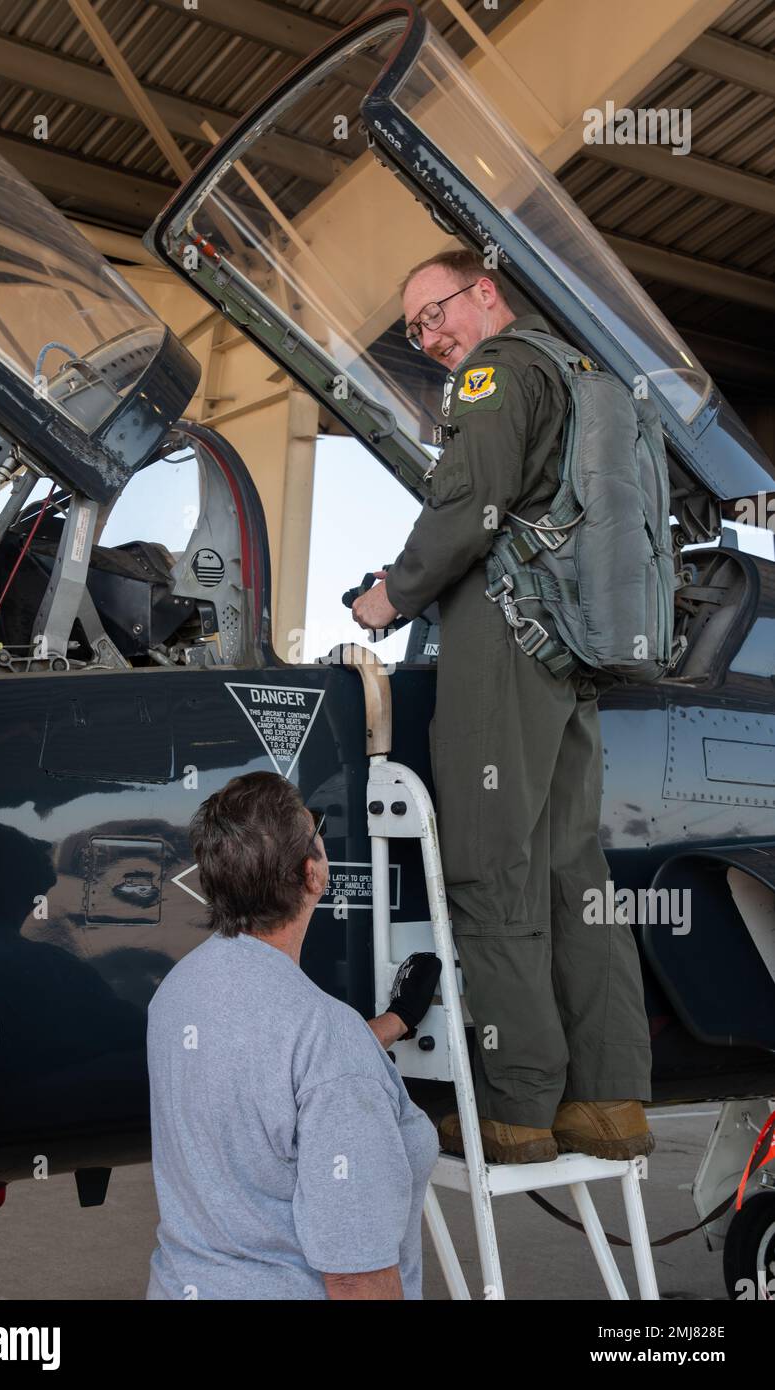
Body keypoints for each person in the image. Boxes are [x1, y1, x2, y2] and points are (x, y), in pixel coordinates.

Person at [352, 248, 654, 1165]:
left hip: (504, 652)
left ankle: (518, 1109)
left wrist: (389, 597)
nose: (431, 337)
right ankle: (608, 1103)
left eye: (436, 312)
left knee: (489, 870)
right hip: (567, 654)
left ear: (486, 293)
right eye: (415, 329)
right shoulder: (574, 370)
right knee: (575, 874)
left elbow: (466, 505)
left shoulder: (494, 374)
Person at [146, 770, 440, 1300]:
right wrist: (354, 1042)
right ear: (313, 874)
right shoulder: (325, 1037)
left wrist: (395, 1021)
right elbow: (356, 1276)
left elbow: (264, 1068)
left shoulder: (177, 993)